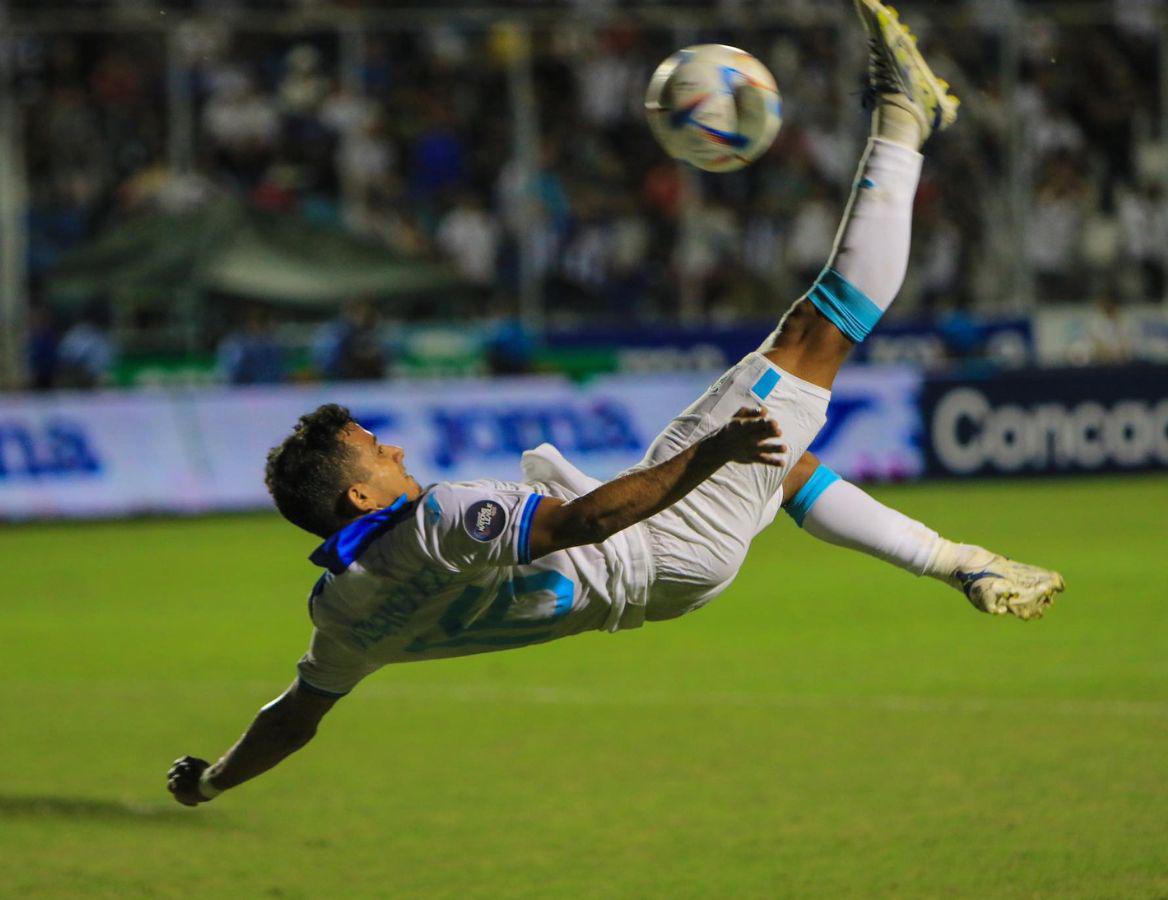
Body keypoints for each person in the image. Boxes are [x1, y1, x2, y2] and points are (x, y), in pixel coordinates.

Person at [168, 1, 1065, 807]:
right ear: (358, 494)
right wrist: (703, 458)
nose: (391, 447)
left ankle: (963, 564)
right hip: (653, 538)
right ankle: (906, 116)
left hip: (659, 581)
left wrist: (213, 778)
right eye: (370, 447)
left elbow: (295, 716)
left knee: (783, 465)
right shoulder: (442, 520)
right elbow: (585, 523)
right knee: (817, 329)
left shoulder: (345, 612)